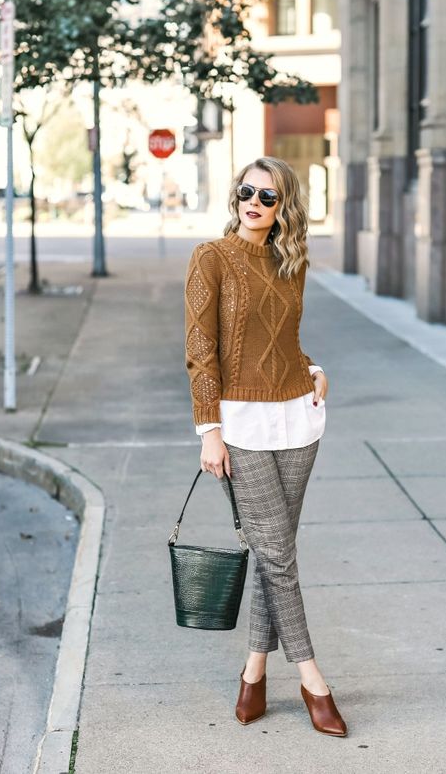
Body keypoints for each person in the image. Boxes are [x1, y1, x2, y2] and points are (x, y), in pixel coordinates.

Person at [184, 156, 347, 737]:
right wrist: (210, 429)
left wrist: (314, 367)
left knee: (274, 555)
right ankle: (313, 681)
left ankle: (254, 672)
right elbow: (202, 350)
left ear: (285, 208)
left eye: (268, 196)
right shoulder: (212, 257)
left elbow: (285, 339)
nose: (253, 201)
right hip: (242, 426)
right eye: (246, 191)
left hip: (298, 420)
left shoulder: (289, 260)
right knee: (278, 555)